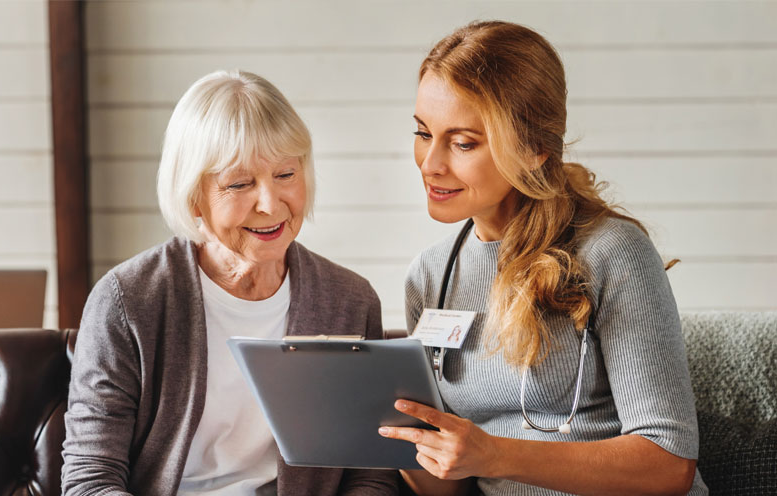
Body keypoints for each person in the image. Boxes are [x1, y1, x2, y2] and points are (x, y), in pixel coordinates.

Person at [378, 21, 708, 495]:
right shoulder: (430, 276)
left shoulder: (611, 253)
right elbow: (449, 488)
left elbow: (668, 464)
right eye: (423, 132)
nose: (431, 163)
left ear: (534, 148)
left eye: (463, 142)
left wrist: (495, 453)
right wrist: (390, 435)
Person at [62, 70, 398, 495]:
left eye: (286, 175)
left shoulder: (350, 300)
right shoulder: (127, 300)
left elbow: (370, 474)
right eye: (240, 183)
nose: (270, 204)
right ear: (192, 195)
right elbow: (90, 480)